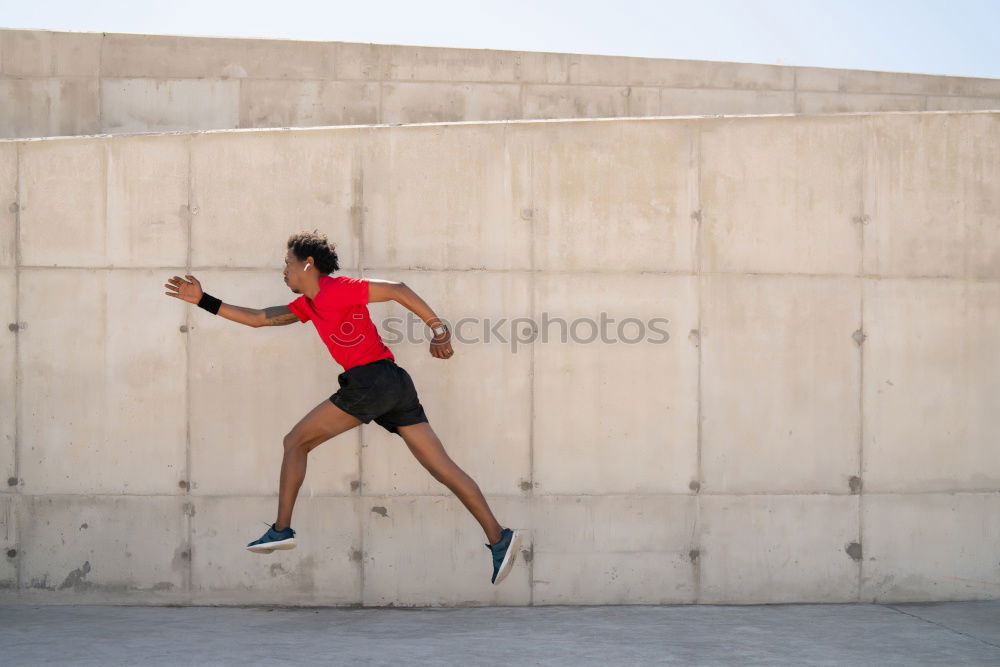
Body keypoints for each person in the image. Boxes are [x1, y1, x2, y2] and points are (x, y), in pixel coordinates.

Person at [164, 230, 522, 585]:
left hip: (372, 382)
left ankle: (281, 529)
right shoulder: (308, 305)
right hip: (393, 383)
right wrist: (202, 300)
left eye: (287, 263)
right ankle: (498, 536)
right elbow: (259, 318)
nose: (283, 271)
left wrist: (438, 330)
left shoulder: (337, 288)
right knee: (443, 468)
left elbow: (396, 290)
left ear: (308, 264)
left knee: (295, 442)